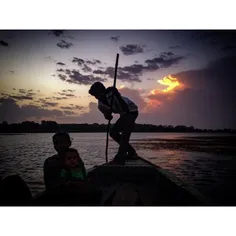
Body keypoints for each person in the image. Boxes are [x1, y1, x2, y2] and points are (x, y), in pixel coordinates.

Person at [89, 81, 139, 164]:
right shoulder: (100, 105)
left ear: (103, 92)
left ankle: (120, 156)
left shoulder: (112, 95)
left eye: (99, 94)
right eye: (95, 96)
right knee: (113, 133)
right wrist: (108, 115)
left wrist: (117, 95)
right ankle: (131, 152)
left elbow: (125, 109)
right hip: (123, 114)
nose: (98, 97)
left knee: (125, 134)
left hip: (131, 111)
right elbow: (107, 116)